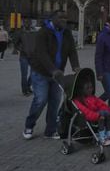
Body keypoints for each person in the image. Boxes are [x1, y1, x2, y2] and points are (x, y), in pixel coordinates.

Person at [23, 10, 80, 140]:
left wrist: (75, 66)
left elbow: (72, 50)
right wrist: (52, 70)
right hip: (41, 72)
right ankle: (29, 125)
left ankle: (50, 130)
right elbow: (42, 54)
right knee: (41, 100)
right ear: (53, 18)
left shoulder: (67, 33)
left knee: (54, 102)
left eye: (65, 18)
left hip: (58, 74)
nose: (64, 20)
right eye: (61, 18)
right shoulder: (43, 33)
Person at [73, 80, 110, 146]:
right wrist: (97, 115)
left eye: (91, 87)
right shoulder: (78, 101)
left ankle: (108, 136)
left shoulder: (92, 97)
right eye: (87, 88)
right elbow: (86, 112)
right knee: (102, 117)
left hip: (96, 114)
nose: (90, 89)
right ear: (81, 90)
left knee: (107, 113)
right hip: (88, 117)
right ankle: (102, 138)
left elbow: (102, 105)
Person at [14, 19, 37, 96]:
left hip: (33, 56)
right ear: (23, 23)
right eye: (26, 22)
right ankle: (25, 90)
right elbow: (16, 43)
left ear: (31, 23)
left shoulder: (35, 32)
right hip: (24, 56)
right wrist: (21, 49)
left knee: (34, 74)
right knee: (24, 74)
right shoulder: (20, 32)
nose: (27, 24)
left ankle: (27, 86)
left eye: (29, 22)